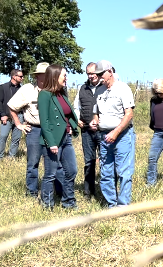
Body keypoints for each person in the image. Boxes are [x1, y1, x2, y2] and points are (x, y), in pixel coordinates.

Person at [7, 62, 63, 198]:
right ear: (38, 76)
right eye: (46, 74)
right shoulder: (28, 89)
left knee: (56, 163)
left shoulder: (57, 89)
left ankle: (58, 192)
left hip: (53, 131)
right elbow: (12, 106)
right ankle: (32, 192)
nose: (50, 76)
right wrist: (19, 124)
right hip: (35, 130)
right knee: (33, 162)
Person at [89, 60, 135, 207]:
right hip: (104, 136)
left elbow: (129, 114)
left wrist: (116, 132)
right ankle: (111, 204)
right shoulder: (99, 91)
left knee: (124, 172)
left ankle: (123, 206)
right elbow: (95, 113)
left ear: (110, 71)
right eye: (97, 74)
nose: (99, 77)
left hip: (122, 135)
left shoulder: (123, 88)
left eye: (101, 73)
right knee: (106, 172)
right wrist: (94, 121)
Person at [38, 65, 79, 209]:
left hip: (66, 138)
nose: (66, 78)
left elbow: (67, 115)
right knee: (50, 174)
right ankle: (47, 204)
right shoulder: (44, 95)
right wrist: (51, 142)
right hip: (54, 140)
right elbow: (44, 121)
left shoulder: (62, 93)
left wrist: (74, 126)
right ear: (55, 77)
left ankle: (68, 201)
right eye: (64, 76)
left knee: (72, 170)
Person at [73, 62, 103, 200]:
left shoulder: (105, 87)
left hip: (103, 131)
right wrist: (77, 119)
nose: (91, 76)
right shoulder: (82, 88)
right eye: (89, 74)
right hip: (86, 131)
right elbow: (76, 106)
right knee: (89, 162)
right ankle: (88, 191)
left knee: (105, 161)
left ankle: (105, 190)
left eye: (93, 73)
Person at [0, 69, 24, 160]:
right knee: (3, 136)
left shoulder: (22, 89)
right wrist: (2, 114)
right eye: (20, 76)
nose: (22, 78)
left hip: (19, 116)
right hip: (6, 117)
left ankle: (12, 157)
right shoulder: (3, 87)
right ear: (14, 76)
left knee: (16, 138)